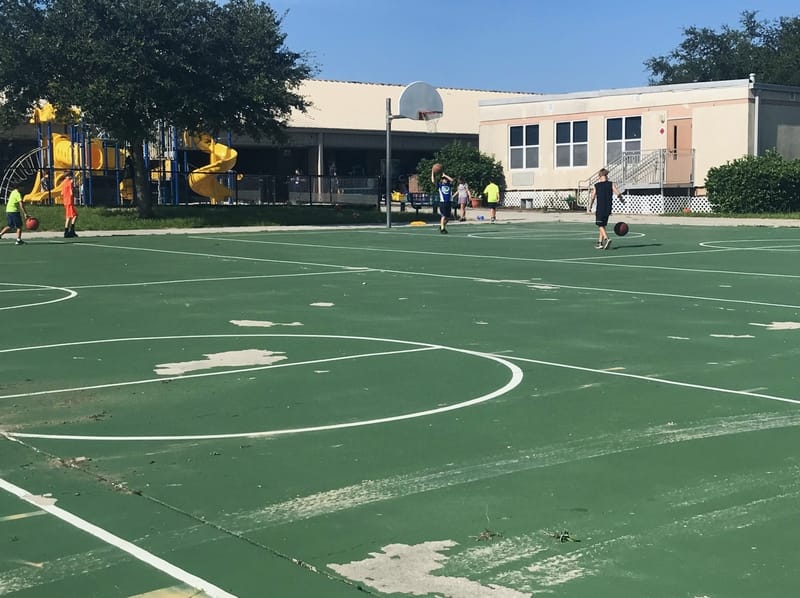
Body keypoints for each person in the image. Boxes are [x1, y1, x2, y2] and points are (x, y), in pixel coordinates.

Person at [588, 168, 622, 250]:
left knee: (599, 225)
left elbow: (593, 197)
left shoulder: (597, 185)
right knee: (603, 225)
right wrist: (621, 199)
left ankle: (607, 239)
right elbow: (617, 193)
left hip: (600, 208)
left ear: (600, 176)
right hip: (608, 208)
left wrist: (590, 206)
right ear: (606, 175)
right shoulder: (611, 184)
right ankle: (600, 243)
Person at [432, 167, 454, 234]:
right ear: (442, 180)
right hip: (443, 202)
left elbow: (452, 180)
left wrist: (445, 175)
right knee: (443, 216)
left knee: (448, 217)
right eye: (444, 179)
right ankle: (442, 229)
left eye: (446, 179)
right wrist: (432, 172)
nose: (446, 180)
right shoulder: (440, 185)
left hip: (449, 202)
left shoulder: (449, 185)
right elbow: (433, 181)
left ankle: (442, 225)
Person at [62, 171, 78, 238]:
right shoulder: (69, 182)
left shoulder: (63, 183)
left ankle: (66, 231)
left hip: (65, 201)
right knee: (75, 215)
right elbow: (71, 192)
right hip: (69, 201)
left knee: (68, 216)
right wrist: (74, 190)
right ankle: (71, 230)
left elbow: (62, 193)